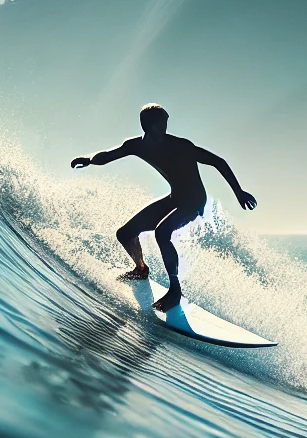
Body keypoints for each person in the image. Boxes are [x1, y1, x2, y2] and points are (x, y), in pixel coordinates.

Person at [71, 104, 257, 311]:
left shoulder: (181, 146)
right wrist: (89, 160)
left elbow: (218, 162)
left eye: (166, 123)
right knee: (125, 233)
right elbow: (108, 155)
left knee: (162, 232)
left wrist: (239, 192)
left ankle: (175, 290)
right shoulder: (137, 146)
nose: (166, 128)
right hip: (175, 198)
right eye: (162, 124)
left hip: (194, 200)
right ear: (148, 126)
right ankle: (141, 269)